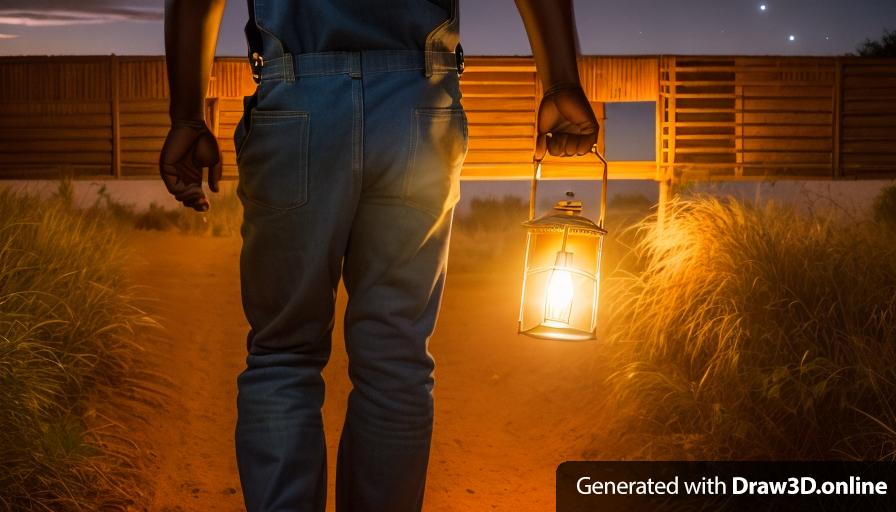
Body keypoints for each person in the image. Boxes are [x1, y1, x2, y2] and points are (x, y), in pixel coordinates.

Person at [159, 0, 598, 510]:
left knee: (283, 355)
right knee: (395, 362)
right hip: (418, 106)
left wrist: (187, 114)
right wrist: (561, 82)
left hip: (296, 98)